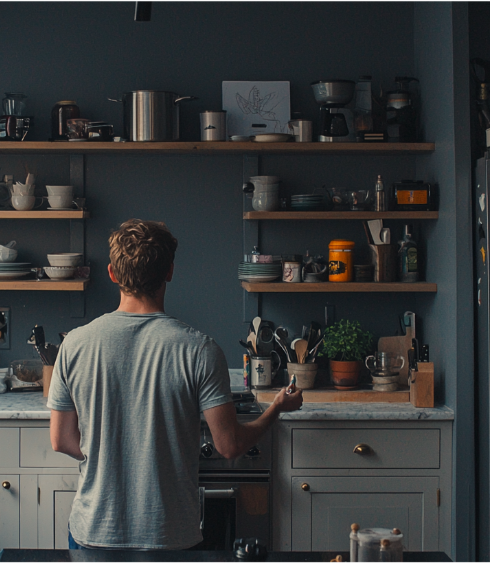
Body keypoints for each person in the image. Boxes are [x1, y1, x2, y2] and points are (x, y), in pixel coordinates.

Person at [48, 218, 303, 550]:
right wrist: (276, 409)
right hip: (169, 537)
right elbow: (229, 446)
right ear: (169, 271)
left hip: (93, 532)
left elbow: (61, 440)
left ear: (112, 273)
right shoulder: (200, 349)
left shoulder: (75, 344)